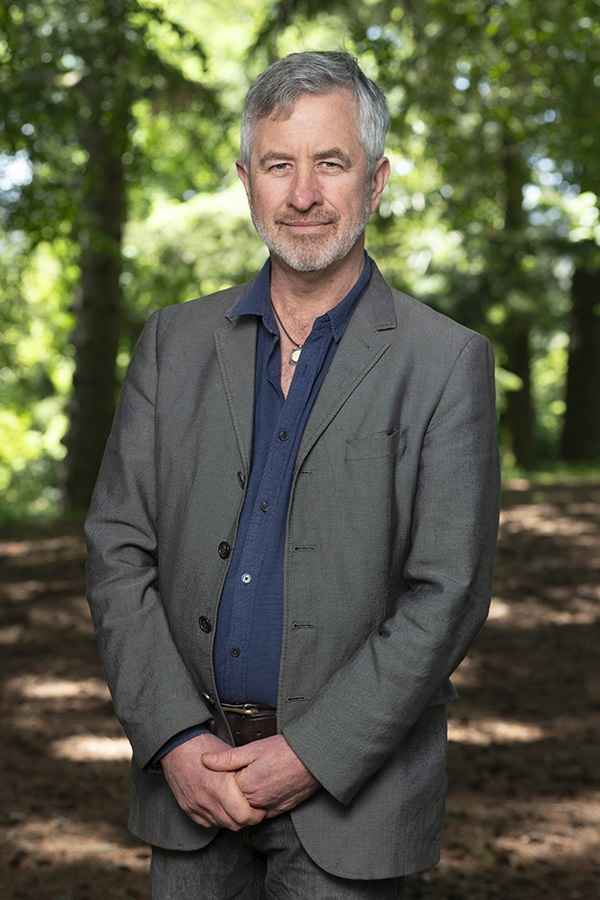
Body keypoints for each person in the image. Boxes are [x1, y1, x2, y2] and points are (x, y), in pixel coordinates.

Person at [85, 50, 500, 900]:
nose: (303, 194)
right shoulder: (172, 345)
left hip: (353, 810)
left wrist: (312, 753)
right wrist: (169, 739)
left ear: (375, 182)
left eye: (330, 164)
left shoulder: (445, 362)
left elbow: (446, 591)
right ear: (248, 181)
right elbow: (117, 551)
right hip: (191, 790)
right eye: (280, 164)